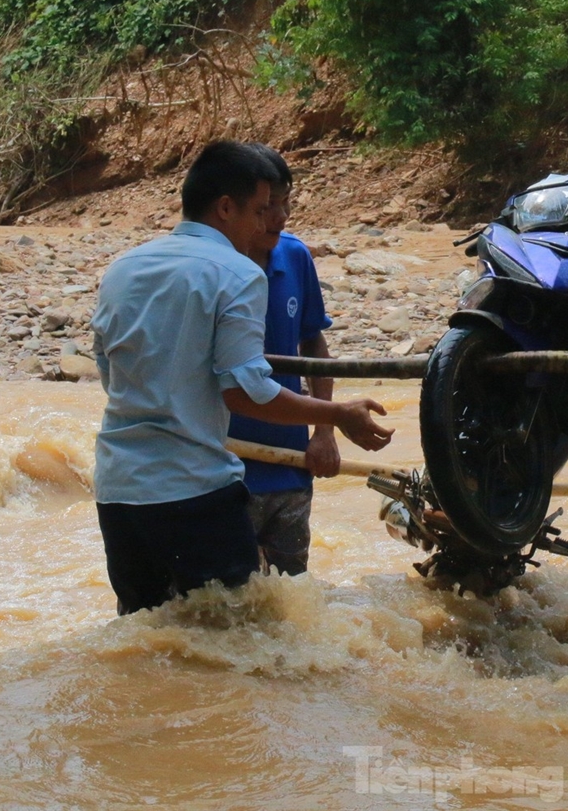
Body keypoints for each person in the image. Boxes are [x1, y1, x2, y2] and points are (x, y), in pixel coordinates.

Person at [89, 141, 393, 615]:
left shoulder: (124, 268)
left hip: (119, 494)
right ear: (225, 208)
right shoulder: (237, 273)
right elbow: (245, 392)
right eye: (258, 210)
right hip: (194, 493)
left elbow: (110, 371)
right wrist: (336, 414)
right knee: (236, 648)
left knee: (146, 639)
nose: (264, 224)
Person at [227, 144, 338, 575]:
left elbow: (314, 345)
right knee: (230, 601)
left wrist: (325, 430)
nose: (280, 216)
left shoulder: (294, 256)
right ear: (233, 210)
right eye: (268, 206)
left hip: (291, 465)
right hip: (224, 469)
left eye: (286, 203)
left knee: (290, 599)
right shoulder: (211, 270)